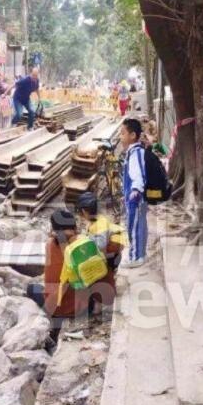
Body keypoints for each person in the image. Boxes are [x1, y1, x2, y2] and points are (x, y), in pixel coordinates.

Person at [27, 208, 90, 322]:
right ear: (74, 226)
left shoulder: (50, 244)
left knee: (31, 288)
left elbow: (57, 239)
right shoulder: (83, 245)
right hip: (82, 308)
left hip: (55, 309)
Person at [76, 191, 126, 304]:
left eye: (80, 212)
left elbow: (101, 245)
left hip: (110, 256)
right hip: (111, 254)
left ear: (84, 211)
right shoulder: (98, 219)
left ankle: (102, 298)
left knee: (97, 275)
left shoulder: (99, 225)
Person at [121, 117, 148, 268]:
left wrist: (135, 191)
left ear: (132, 135)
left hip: (136, 198)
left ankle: (136, 257)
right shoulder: (134, 152)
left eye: (123, 133)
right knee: (140, 225)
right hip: (135, 196)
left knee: (134, 227)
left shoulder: (135, 153)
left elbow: (138, 175)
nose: (121, 137)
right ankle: (141, 254)